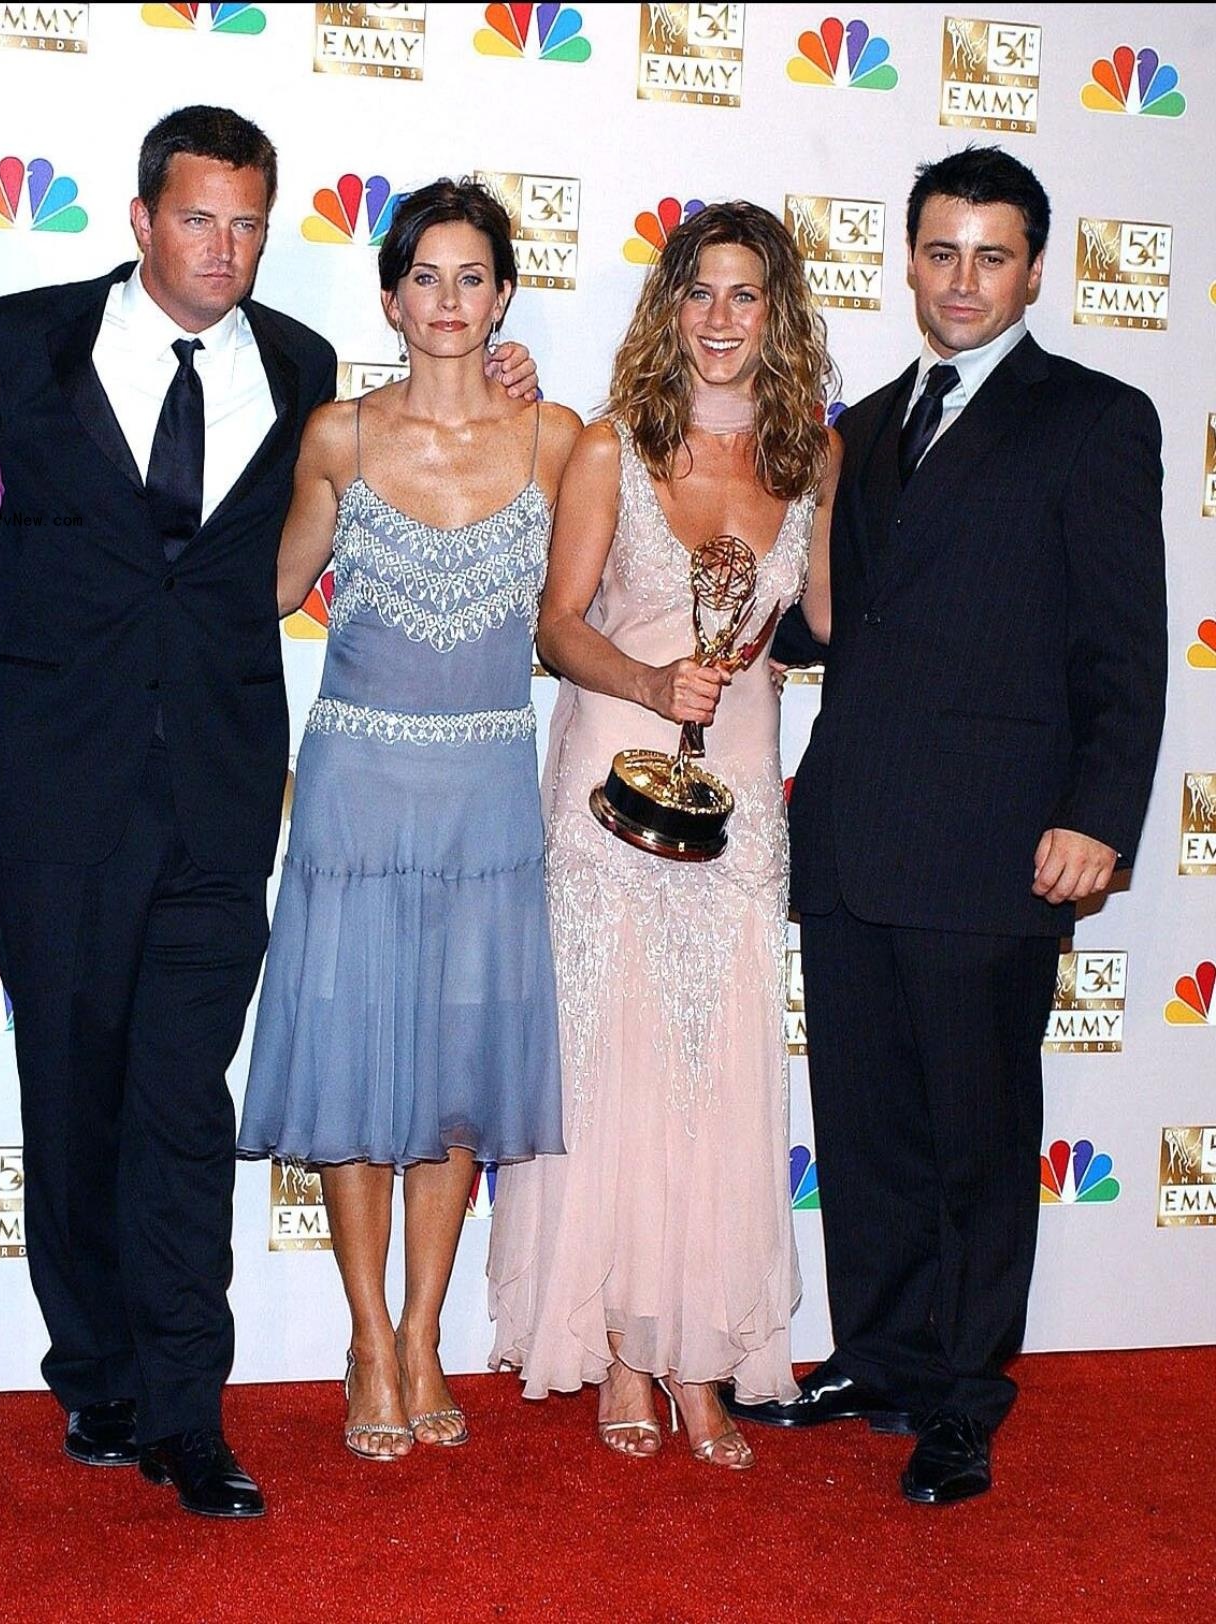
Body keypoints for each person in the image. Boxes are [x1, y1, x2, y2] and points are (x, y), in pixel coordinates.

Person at [0, 107, 536, 1519]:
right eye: (198, 219)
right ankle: (92, 1369)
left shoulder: (299, 371)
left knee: (178, 1105)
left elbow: (392, 462)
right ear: (141, 217)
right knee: (71, 1094)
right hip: (53, 792)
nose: (224, 249)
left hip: (221, 801)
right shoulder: (14, 340)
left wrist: (505, 373)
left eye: (248, 224)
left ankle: (184, 1406)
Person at [730, 147, 1168, 1506]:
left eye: (990, 255)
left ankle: (966, 1400)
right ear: (908, 262)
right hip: (856, 830)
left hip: (993, 845)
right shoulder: (867, 421)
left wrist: (1099, 818)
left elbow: (1127, 647)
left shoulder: (1094, 418)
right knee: (864, 1127)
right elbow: (828, 632)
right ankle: (881, 1353)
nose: (961, 279)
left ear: (1034, 269)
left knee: (977, 1137)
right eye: (939, 252)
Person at [487, 201, 839, 1470]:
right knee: (619, 1067)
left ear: (779, 312)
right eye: (700, 291)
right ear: (669, 305)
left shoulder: (814, 460)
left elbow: (839, 619)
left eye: (747, 294)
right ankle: (625, 1352)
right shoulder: (607, 447)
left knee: (721, 1068)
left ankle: (705, 1356)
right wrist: (649, 688)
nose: (722, 319)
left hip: (740, 793)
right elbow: (558, 626)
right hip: (606, 787)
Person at [237, 179, 575, 1460]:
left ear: (503, 294)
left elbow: (595, 602)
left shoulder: (557, 439)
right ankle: (367, 1337)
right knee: (353, 1072)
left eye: (473, 275)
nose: (448, 300)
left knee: (454, 1087)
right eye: (425, 276)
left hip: (488, 795)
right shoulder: (337, 436)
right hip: (356, 793)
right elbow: (266, 590)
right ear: (389, 295)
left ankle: (427, 1331)